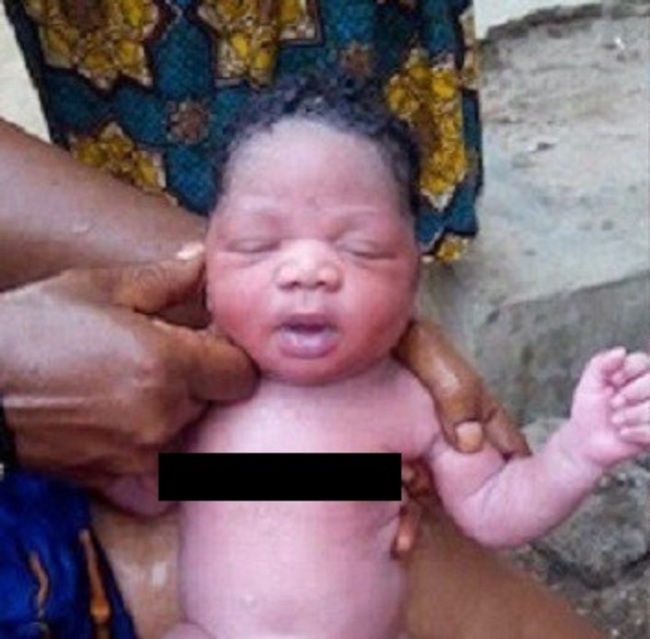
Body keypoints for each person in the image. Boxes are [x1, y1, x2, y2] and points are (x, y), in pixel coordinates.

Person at [102, 73, 650, 638]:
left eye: (360, 249)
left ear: (414, 277)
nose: (307, 271)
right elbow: (144, 490)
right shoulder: (195, 383)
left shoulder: (408, 402)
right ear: (201, 268)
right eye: (258, 245)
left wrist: (579, 450)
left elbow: (495, 508)